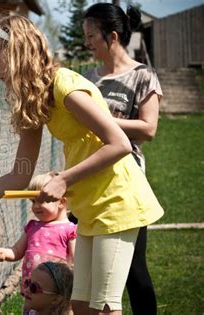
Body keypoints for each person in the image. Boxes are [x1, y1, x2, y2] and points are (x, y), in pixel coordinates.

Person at [0, 13, 163, 314]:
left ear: (16, 57)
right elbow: (19, 176)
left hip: (116, 201)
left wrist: (64, 179)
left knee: (104, 306)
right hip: (90, 206)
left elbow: (119, 144)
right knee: (80, 306)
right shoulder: (36, 100)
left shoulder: (65, 86)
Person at [82, 4, 163, 314]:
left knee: (134, 269)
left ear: (112, 36)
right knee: (92, 270)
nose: (87, 42)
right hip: (89, 177)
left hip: (126, 181)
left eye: (91, 36)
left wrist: (101, 118)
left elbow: (148, 128)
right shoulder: (88, 78)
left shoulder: (143, 75)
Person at [0, 173, 76, 313]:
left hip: (54, 294)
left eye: (42, 200)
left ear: (61, 201)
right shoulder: (32, 227)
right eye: (33, 201)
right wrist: (4, 253)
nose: (36, 206)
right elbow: (17, 251)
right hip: (32, 292)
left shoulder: (69, 230)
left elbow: (74, 263)